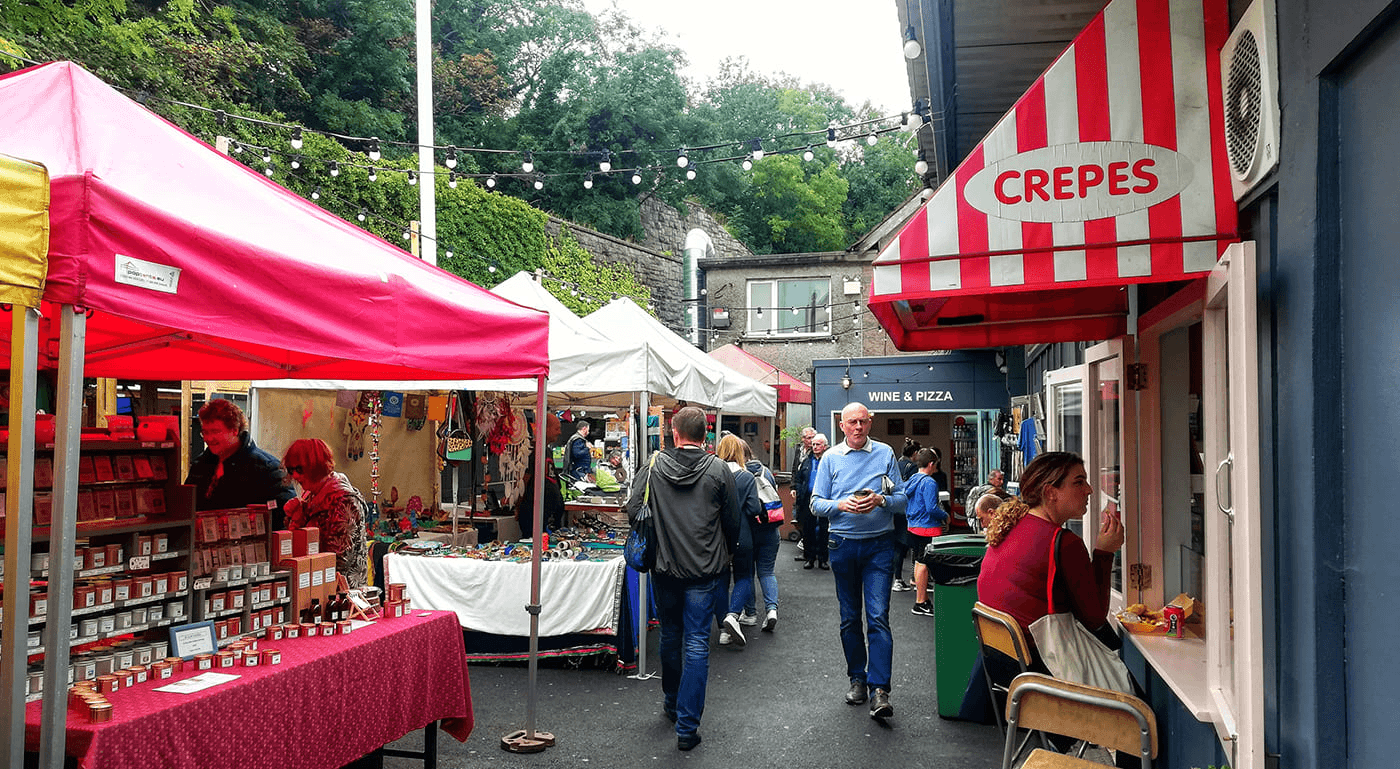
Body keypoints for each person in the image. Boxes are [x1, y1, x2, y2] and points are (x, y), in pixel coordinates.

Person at [626, 406, 740, 751]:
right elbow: (733, 523)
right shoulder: (719, 470)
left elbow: (633, 510)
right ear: (706, 434)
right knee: (696, 644)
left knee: (671, 635)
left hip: (664, 567)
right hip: (704, 569)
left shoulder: (655, 465)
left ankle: (672, 702)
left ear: (674, 433)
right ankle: (687, 727)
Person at [811, 402, 908, 720]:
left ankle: (881, 689)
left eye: (863, 422)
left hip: (880, 545)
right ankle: (857, 679)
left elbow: (903, 500)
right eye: (852, 422)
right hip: (842, 544)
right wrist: (842, 505)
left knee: (878, 616)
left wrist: (881, 499)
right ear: (841, 425)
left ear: (870, 423)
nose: (858, 427)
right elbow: (815, 503)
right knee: (850, 618)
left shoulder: (885, 454)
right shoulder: (830, 458)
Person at [977, 451, 1123, 653]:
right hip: (1045, 665)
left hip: (1004, 663)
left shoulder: (1011, 526)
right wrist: (1105, 552)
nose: (1089, 490)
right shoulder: (1063, 542)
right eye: (1079, 482)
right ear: (1050, 492)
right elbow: (1095, 619)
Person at [186, 398, 295, 528]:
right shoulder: (200, 465)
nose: (208, 438)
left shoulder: (268, 468)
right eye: (205, 432)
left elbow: (284, 517)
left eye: (215, 431)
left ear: (235, 430)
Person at [281, 438, 370, 588]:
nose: (295, 476)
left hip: (342, 593)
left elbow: (340, 559)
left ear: (317, 467)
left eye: (300, 469)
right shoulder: (312, 496)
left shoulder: (343, 501)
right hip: (316, 585)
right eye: (291, 470)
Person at [722, 437, 783, 635]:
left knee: (744, 573)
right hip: (769, 529)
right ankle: (771, 610)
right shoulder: (765, 472)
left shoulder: (733, 474)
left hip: (746, 532)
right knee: (766, 572)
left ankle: (748, 613)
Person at [714, 435, 759, 647]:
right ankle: (733, 614)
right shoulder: (746, 477)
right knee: (744, 576)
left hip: (717, 536)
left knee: (721, 581)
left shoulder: (712, 475)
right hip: (743, 534)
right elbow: (754, 508)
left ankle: (723, 630)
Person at [905, 448, 949, 616]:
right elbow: (932, 508)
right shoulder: (929, 482)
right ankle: (921, 601)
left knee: (918, 562)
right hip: (927, 527)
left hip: (913, 526)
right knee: (924, 564)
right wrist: (945, 515)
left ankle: (921, 600)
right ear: (931, 464)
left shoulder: (912, 479)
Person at [519, 412, 565, 537]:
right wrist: (519, 505)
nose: (559, 432)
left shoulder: (547, 451)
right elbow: (524, 480)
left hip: (546, 517)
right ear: (545, 428)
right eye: (557, 428)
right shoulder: (533, 451)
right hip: (533, 516)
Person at [891, 439, 921, 592]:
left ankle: (897, 578)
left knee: (898, 546)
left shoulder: (896, 464)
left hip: (895, 507)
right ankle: (916, 579)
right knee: (915, 546)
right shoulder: (914, 468)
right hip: (908, 509)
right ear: (915, 454)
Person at [800, 434, 831, 569]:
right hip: (808, 497)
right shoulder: (807, 460)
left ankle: (823, 559)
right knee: (808, 529)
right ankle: (809, 558)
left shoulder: (829, 460)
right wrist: (796, 489)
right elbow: (799, 477)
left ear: (824, 446)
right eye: (813, 444)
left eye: (818, 444)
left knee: (824, 529)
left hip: (825, 497)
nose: (815, 447)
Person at [791, 427, 817, 562]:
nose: (811, 440)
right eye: (808, 437)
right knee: (799, 518)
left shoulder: (816, 451)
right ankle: (805, 548)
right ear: (803, 439)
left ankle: (812, 552)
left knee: (812, 522)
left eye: (813, 437)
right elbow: (795, 469)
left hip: (811, 489)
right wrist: (793, 486)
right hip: (800, 489)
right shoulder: (799, 450)